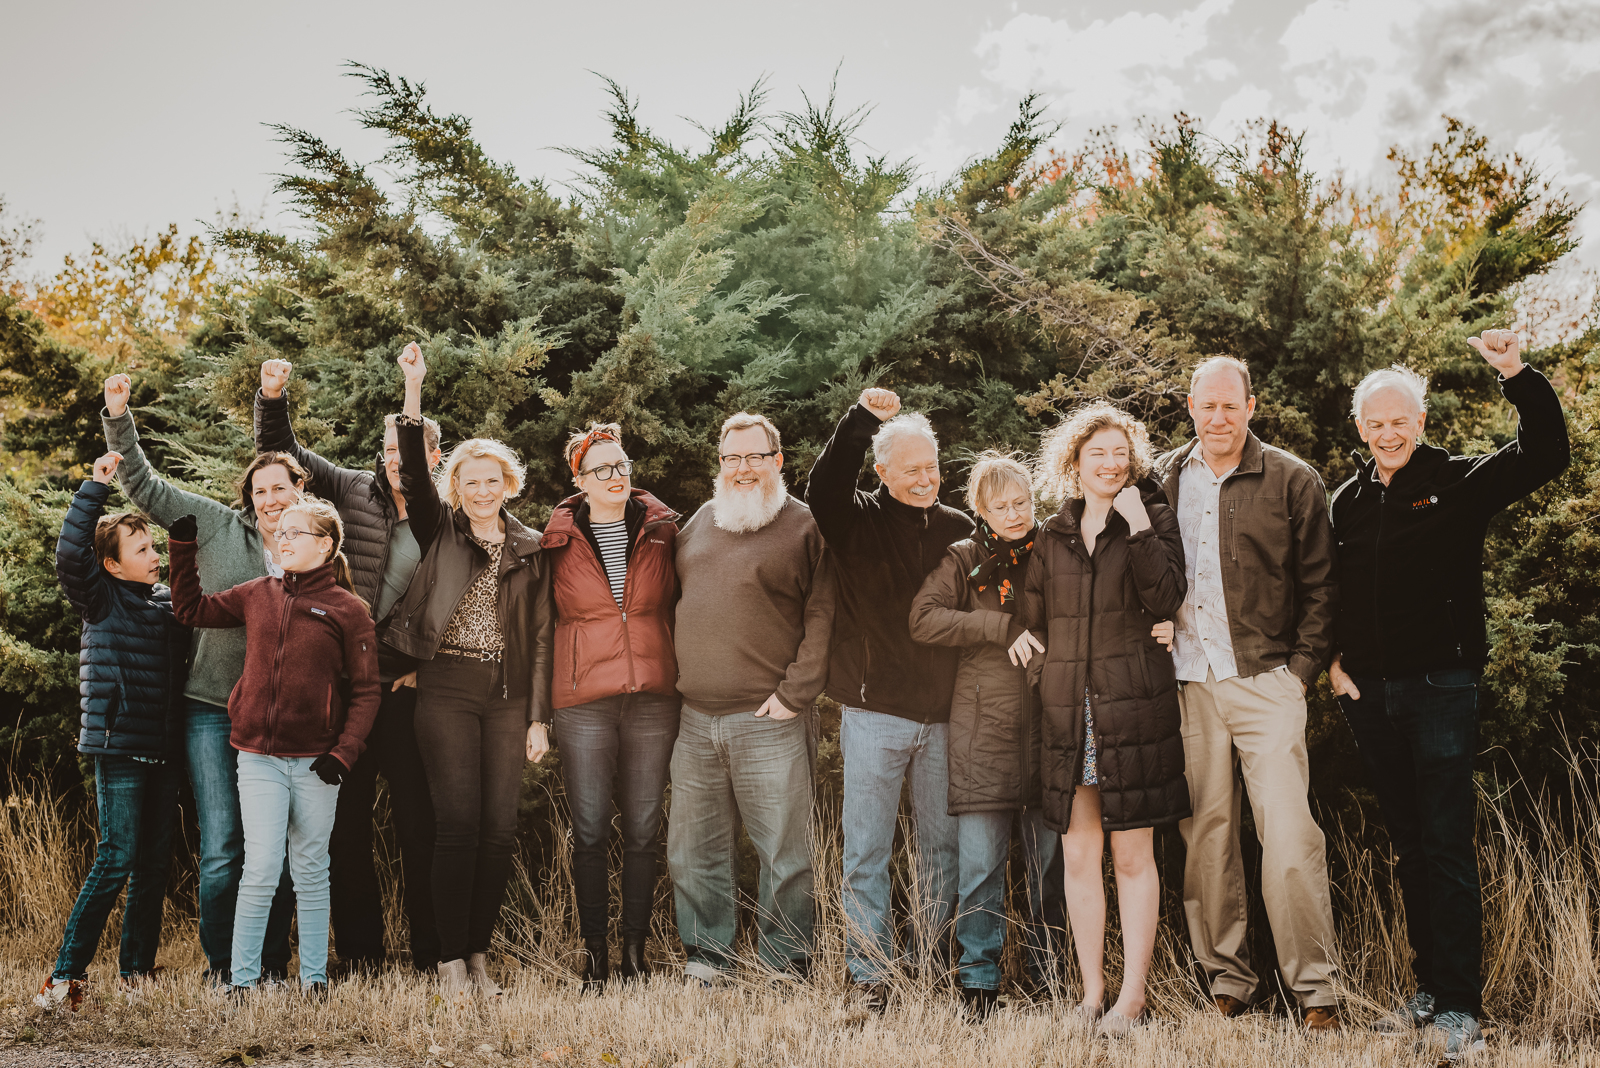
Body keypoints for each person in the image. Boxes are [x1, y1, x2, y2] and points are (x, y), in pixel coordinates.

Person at [1329, 330, 1569, 1061]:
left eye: (1400, 419)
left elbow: (1547, 453)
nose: (1389, 432)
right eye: (1375, 422)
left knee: (1445, 845)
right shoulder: (1348, 499)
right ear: (1360, 428)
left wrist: (1515, 372)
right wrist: (1335, 665)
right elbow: (1332, 590)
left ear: (1422, 422)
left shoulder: (1459, 481)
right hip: (1369, 697)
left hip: (1441, 688)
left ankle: (1462, 1005)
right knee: (1406, 848)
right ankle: (1428, 990)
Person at [1152, 356, 1342, 1030]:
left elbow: (1322, 586)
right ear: (1191, 408)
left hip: (1266, 682)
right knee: (1206, 836)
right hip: (1189, 685)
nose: (1220, 418)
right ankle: (1229, 978)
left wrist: (1299, 671)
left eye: (1231, 405)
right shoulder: (1164, 478)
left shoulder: (1292, 479)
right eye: (1208, 406)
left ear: (1251, 406)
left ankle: (1316, 989)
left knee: (1289, 835)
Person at [101, 373, 296, 984]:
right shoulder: (215, 526)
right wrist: (117, 417)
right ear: (248, 498)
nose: (270, 500)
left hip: (282, 718)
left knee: (280, 853)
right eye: (259, 491)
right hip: (210, 708)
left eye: (280, 488)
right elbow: (147, 487)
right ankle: (223, 969)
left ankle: (270, 965)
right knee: (222, 851)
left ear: (299, 490)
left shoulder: (317, 546)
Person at [254, 357, 443, 974]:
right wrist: (272, 396)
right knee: (347, 830)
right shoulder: (352, 488)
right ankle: (361, 956)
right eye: (386, 448)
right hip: (347, 693)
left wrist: (412, 388)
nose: (394, 458)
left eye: (405, 448)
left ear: (429, 456)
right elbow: (284, 453)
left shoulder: (439, 515)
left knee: (418, 825)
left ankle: (429, 955)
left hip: (406, 691)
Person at [381, 342, 554, 1001]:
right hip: (447, 689)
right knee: (456, 824)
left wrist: (539, 717)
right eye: (470, 481)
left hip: (507, 696)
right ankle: (449, 961)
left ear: (508, 485)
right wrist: (414, 388)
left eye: (492, 481)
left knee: (499, 828)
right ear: (456, 488)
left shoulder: (533, 549)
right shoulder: (438, 528)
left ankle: (478, 953)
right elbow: (415, 477)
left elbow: (540, 638)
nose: (481, 491)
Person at [1014, 402, 1188, 1037]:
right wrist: (1045, 672)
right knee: (1079, 853)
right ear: (1074, 461)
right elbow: (1031, 623)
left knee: (1133, 856)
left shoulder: (1151, 517)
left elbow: (1167, 597)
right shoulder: (1054, 533)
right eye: (1098, 454)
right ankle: (1091, 995)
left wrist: (1140, 524)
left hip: (1133, 710)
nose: (1111, 464)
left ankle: (1133, 997)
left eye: (1121, 453)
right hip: (1069, 717)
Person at [168, 497, 380, 997]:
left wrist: (344, 752)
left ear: (325, 545)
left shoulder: (349, 611)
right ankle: (241, 983)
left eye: (295, 533)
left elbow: (368, 691)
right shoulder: (257, 593)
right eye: (279, 532)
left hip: (317, 764)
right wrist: (181, 549)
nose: (282, 539)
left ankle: (314, 981)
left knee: (310, 869)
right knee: (261, 866)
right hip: (257, 756)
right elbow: (190, 609)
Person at [807, 388, 972, 1008]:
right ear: (881, 472)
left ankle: (930, 963)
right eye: (912, 469)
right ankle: (870, 973)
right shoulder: (856, 520)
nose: (927, 478)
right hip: (873, 716)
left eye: (932, 467)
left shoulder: (960, 531)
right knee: (868, 851)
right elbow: (824, 485)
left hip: (944, 719)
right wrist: (862, 419)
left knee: (941, 850)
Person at [669, 412, 834, 986]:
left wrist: (795, 694)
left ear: (777, 461)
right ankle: (707, 960)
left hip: (771, 719)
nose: (742, 469)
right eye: (731, 457)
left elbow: (824, 615)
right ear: (720, 463)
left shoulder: (805, 526)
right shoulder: (702, 521)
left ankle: (785, 962)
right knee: (694, 853)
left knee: (784, 856)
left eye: (754, 457)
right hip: (694, 721)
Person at [908, 452, 1068, 1018]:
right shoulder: (963, 558)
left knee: (1050, 866)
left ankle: (1051, 974)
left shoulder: (1054, 549)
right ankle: (978, 980)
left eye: (1022, 502)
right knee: (979, 868)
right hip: (982, 736)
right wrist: (1001, 628)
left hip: (1050, 731)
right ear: (980, 510)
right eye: (1001, 506)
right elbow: (923, 619)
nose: (1015, 514)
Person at [34, 454, 190, 1012]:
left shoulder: (169, 606)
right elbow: (70, 554)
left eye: (154, 547)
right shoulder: (98, 602)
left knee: (153, 864)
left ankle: (136, 973)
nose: (155, 557)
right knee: (116, 856)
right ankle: (64, 977)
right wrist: (96, 487)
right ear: (112, 564)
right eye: (143, 550)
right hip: (120, 748)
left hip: (164, 752)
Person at [541, 422, 681, 989]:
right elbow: (538, 629)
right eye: (602, 469)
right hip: (583, 702)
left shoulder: (665, 530)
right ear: (579, 479)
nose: (615, 476)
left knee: (645, 830)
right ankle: (595, 955)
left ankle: (634, 954)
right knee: (592, 830)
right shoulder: (554, 541)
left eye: (622, 466)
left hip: (654, 698)